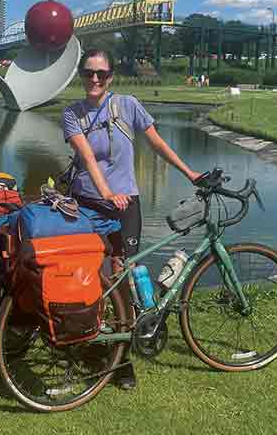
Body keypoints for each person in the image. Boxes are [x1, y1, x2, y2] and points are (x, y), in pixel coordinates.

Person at [62, 49, 202, 390]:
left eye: (102, 73)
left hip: (127, 206)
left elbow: (155, 143)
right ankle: (87, 340)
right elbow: (87, 159)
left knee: (119, 275)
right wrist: (106, 192)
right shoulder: (72, 114)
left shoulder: (128, 105)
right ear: (81, 75)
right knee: (89, 278)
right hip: (87, 202)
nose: (95, 79)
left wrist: (190, 172)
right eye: (89, 72)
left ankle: (122, 358)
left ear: (111, 76)